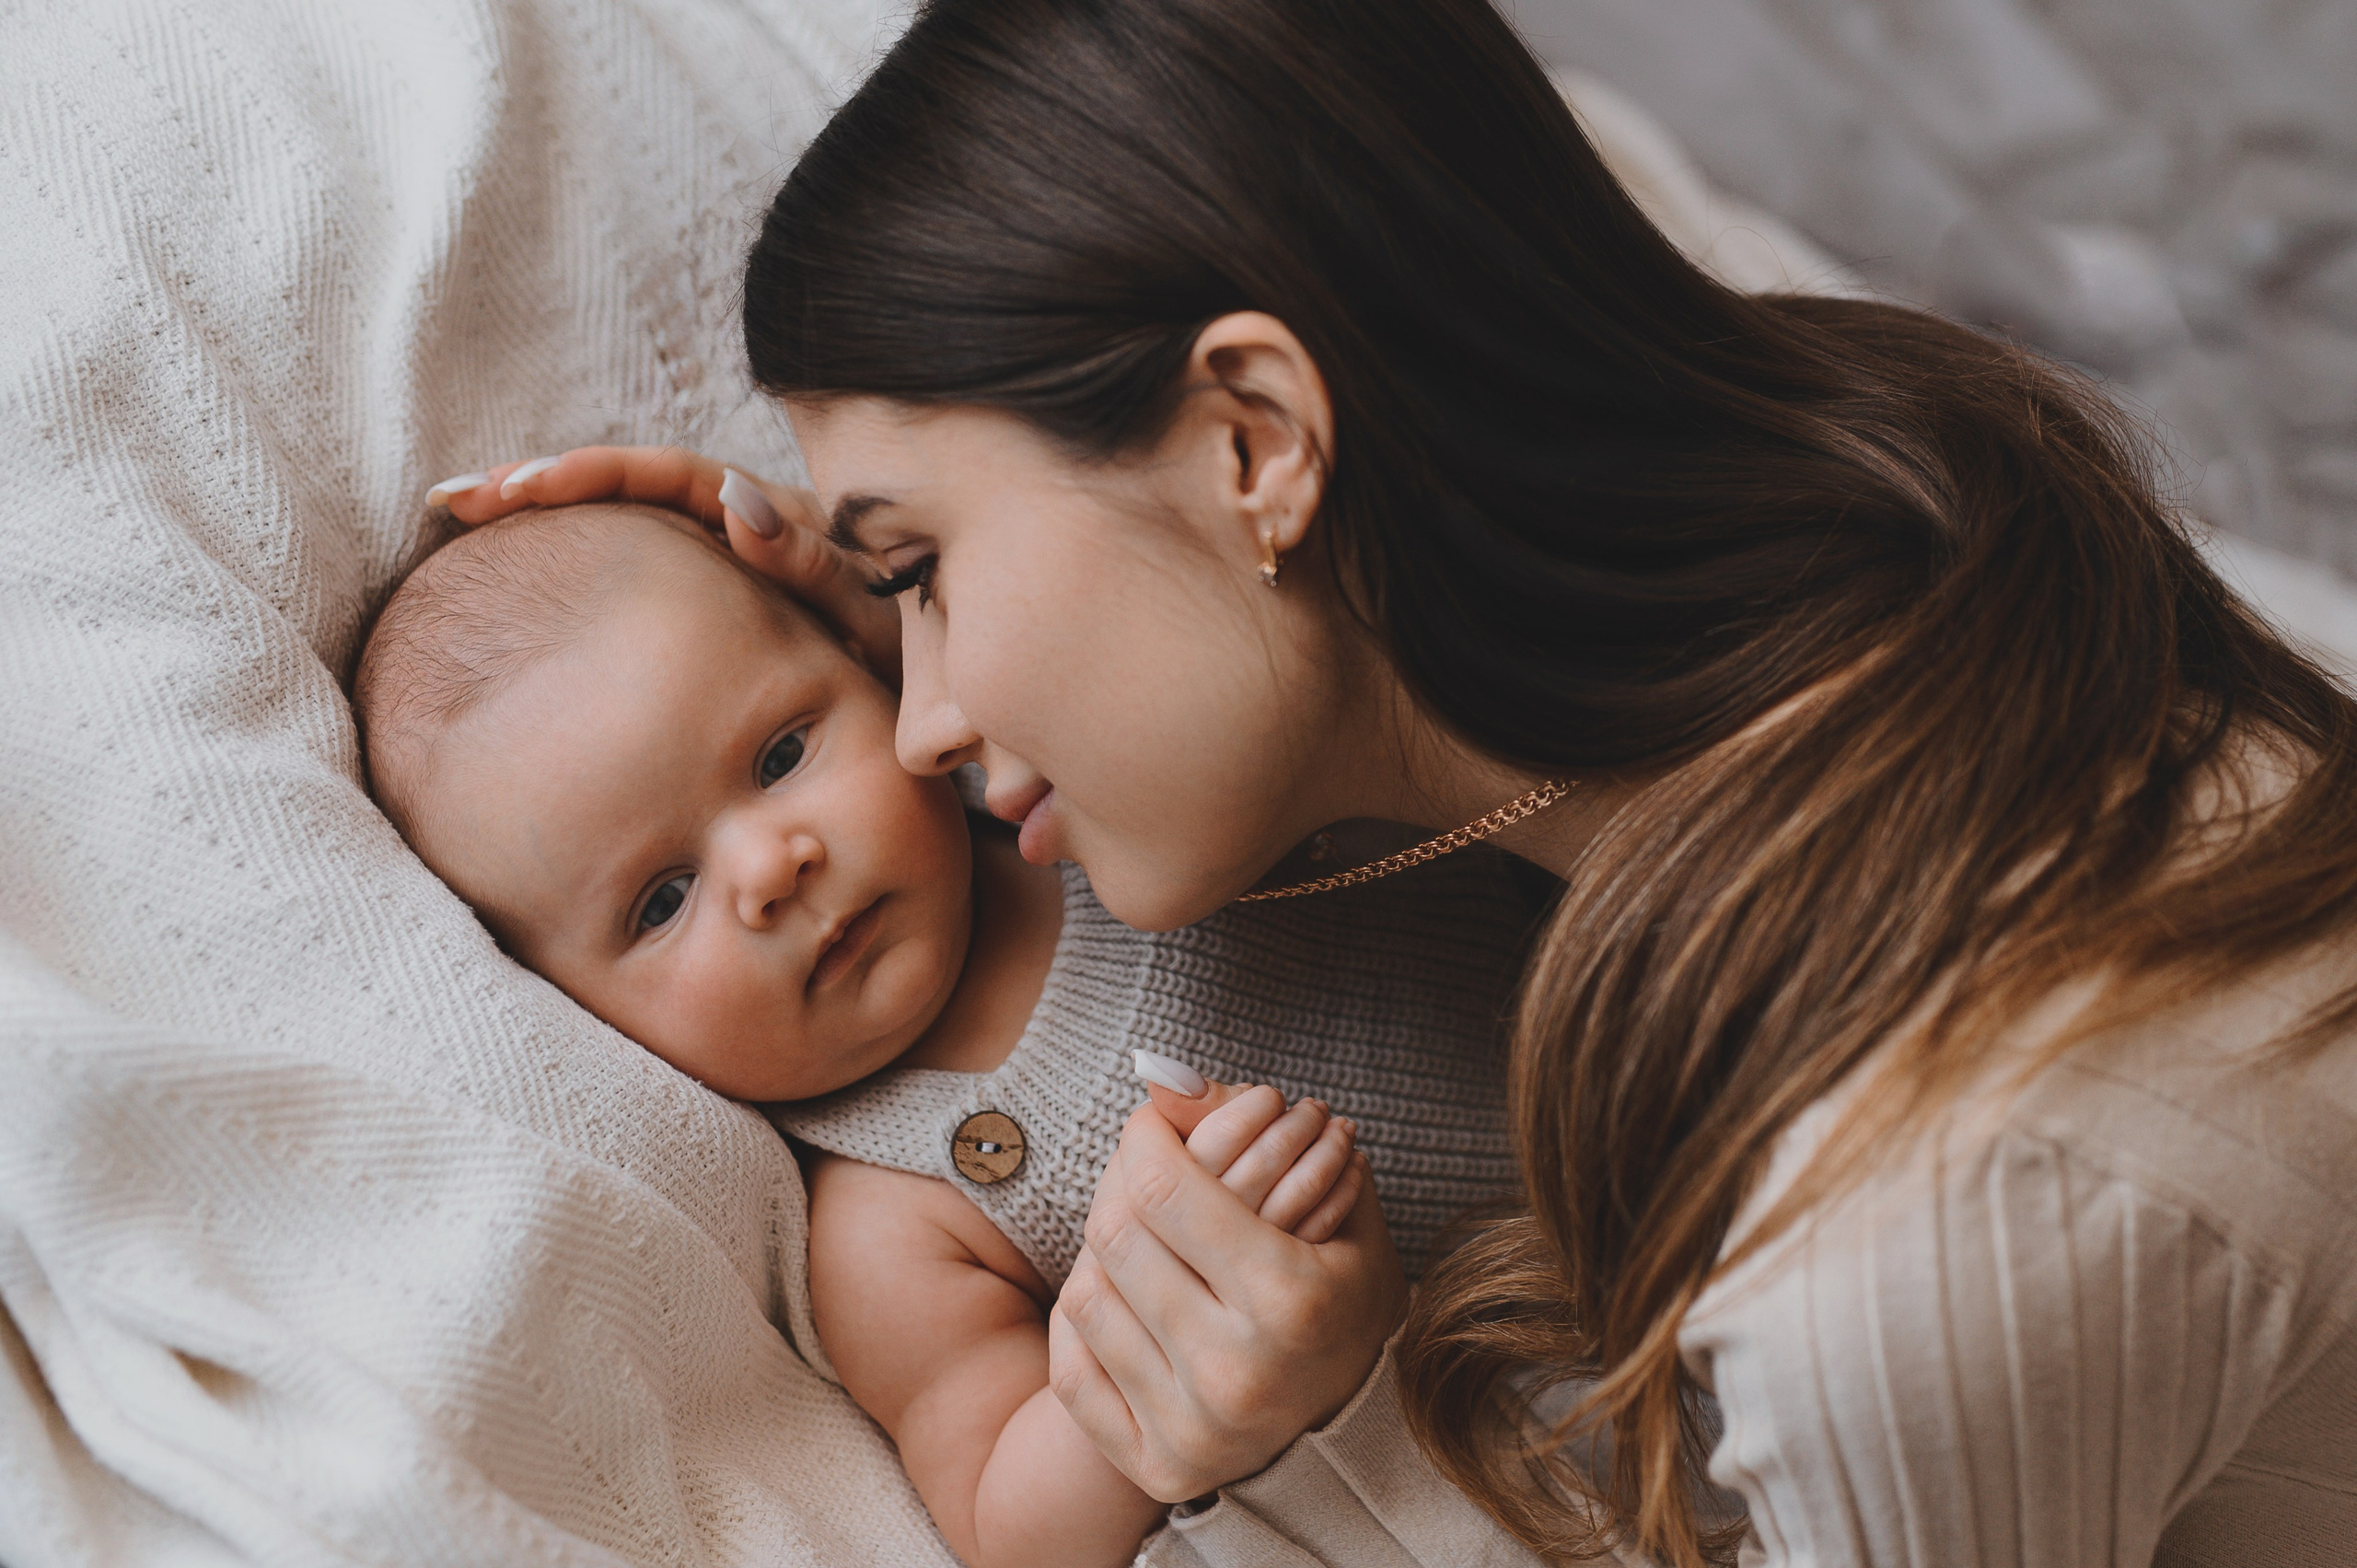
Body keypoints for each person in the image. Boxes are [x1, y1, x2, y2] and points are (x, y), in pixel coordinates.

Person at [435, 0, 2357, 1562]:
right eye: (878, 615)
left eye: (919, 571)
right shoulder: (1894, 561)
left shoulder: (1911, 1253)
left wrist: (1312, 1448)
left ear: (1255, 441)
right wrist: (767, 650)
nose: (913, 720)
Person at [351, 499, 1539, 1568]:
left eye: (781, 755)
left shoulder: (1053, 772)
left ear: (875, 671)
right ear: (582, 1018)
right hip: (1554, 1364)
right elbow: (1003, 1520)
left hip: (1641, 1001)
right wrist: (1134, 1355)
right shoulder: (893, 1215)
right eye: (660, 902)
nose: (771, 865)